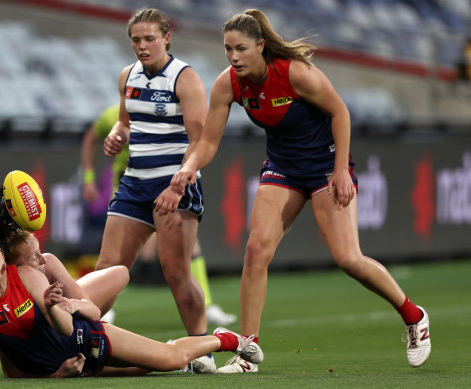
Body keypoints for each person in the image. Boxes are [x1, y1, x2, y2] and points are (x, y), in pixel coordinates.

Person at [159, 9, 431, 373]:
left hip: (325, 166)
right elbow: (208, 142)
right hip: (283, 168)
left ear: (260, 46)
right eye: (227, 49)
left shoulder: (294, 73)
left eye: (241, 48)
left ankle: (414, 317)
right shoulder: (229, 84)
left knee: (349, 259)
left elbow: (340, 113)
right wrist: (188, 167)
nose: (234, 57)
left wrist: (340, 172)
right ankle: (248, 353)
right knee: (256, 251)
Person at [0, 230, 264, 377]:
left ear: (1, 253)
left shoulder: (25, 274)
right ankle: (192, 361)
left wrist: (60, 305)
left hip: (86, 336)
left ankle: (228, 339)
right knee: (143, 370)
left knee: (169, 359)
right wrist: (58, 375)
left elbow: (67, 327)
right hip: (75, 366)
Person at [92, 7, 212, 368]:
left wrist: (178, 185)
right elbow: (126, 124)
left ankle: (200, 349)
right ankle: (77, 340)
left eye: (149, 39)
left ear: (166, 38)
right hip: (134, 184)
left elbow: (200, 141)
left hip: (174, 183)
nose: (142, 46)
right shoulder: (127, 76)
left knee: (176, 273)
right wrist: (117, 136)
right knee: (107, 268)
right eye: (136, 40)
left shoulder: (185, 77)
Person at [82, 103, 236, 325]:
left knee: (187, 252)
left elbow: (198, 138)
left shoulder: (166, 108)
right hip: (127, 187)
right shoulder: (111, 115)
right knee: (112, 257)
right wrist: (88, 178)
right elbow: (92, 138)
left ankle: (206, 310)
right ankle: (102, 309)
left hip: (164, 184)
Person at [0, 189, 130, 377]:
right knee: (141, 366)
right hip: (54, 352)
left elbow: (92, 309)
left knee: (120, 274)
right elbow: (11, 371)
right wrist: (57, 374)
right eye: (33, 257)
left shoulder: (47, 263)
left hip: (72, 327)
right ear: (14, 269)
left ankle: (88, 334)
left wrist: (71, 306)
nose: (41, 260)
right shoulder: (8, 290)